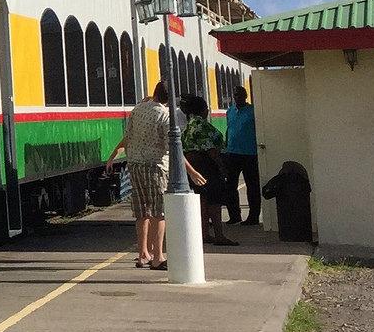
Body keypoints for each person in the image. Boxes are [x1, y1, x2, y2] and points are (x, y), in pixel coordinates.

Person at [106, 81, 174, 270]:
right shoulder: (164, 115)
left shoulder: (137, 110)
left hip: (134, 165)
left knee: (142, 211)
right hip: (155, 166)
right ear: (170, 99)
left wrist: (113, 155)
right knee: (159, 212)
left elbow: (128, 136)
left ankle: (143, 253)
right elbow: (173, 147)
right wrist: (191, 172)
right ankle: (158, 257)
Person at [180, 95, 236, 246]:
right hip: (208, 166)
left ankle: (204, 233)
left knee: (202, 201)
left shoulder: (189, 126)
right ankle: (219, 235)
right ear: (203, 110)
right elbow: (211, 150)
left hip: (195, 167)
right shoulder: (201, 126)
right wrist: (222, 167)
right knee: (214, 201)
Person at [223, 81, 260, 226]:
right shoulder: (230, 111)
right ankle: (234, 215)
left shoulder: (253, 111)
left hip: (250, 153)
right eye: (235, 95)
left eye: (240, 95)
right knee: (230, 186)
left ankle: (253, 216)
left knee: (252, 186)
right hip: (232, 153)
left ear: (245, 96)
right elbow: (229, 129)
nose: (237, 97)